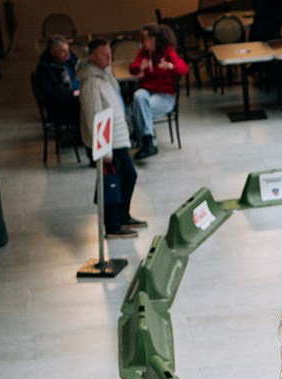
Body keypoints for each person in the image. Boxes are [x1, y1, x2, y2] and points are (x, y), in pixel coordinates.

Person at [79, 37, 144, 235]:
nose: (109, 57)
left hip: (119, 136)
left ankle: (122, 216)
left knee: (126, 177)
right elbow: (93, 116)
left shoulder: (105, 75)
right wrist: (103, 149)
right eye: (103, 54)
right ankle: (113, 224)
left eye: (109, 53)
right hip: (109, 142)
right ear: (92, 56)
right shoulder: (91, 82)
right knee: (112, 182)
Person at [127, 23, 186, 159]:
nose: (142, 43)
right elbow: (132, 67)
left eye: (144, 39)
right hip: (148, 93)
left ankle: (144, 139)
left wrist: (170, 66)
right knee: (138, 96)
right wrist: (139, 67)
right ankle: (148, 139)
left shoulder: (167, 52)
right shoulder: (144, 54)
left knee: (134, 110)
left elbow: (183, 68)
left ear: (153, 39)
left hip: (165, 96)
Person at [32, 35, 80, 135]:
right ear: (53, 52)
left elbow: (80, 70)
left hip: (76, 95)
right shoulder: (45, 68)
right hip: (61, 105)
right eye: (63, 51)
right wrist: (73, 93)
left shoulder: (70, 58)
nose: (67, 54)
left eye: (68, 50)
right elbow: (52, 93)